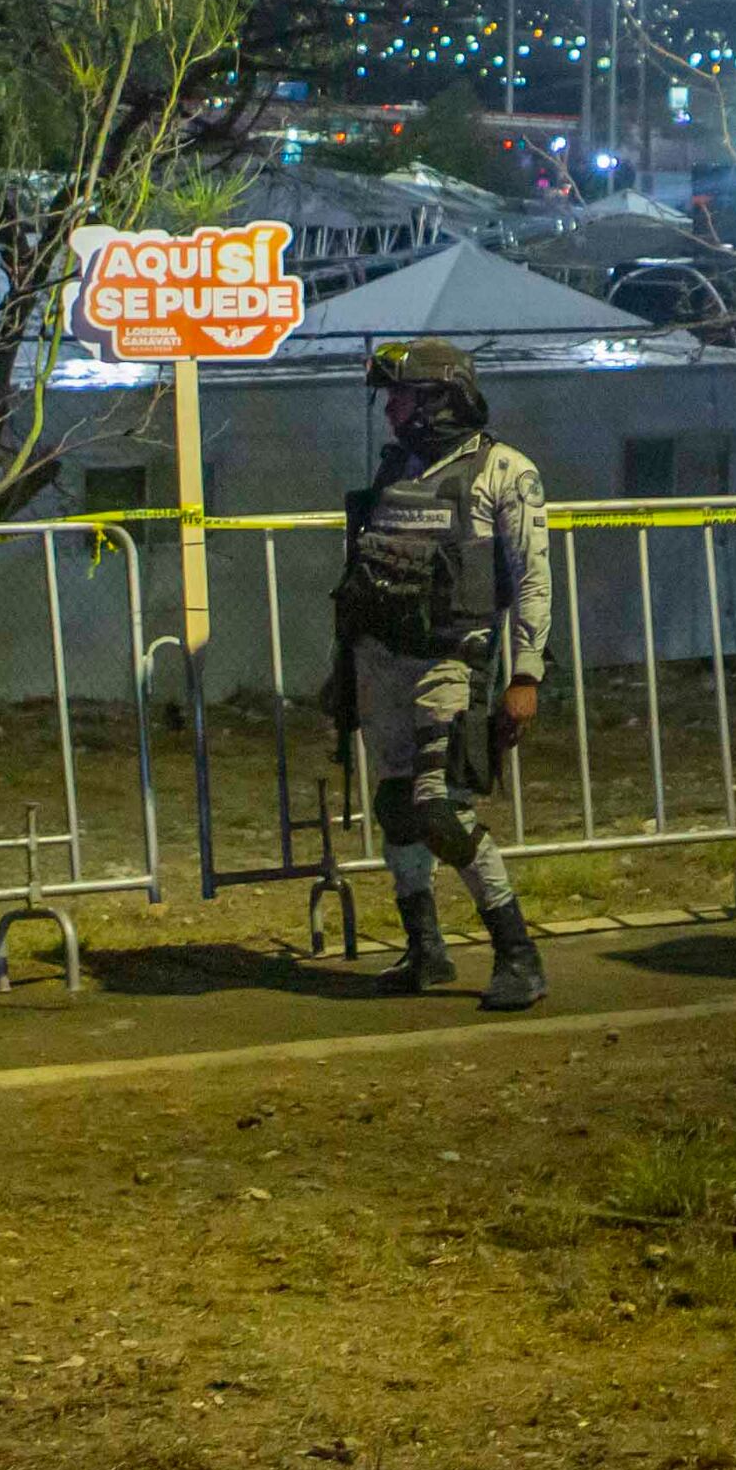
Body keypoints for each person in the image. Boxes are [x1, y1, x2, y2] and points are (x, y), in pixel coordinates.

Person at [327, 338, 555, 1008]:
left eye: (400, 394)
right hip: (380, 660)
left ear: (439, 398)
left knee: (439, 806)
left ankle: (519, 953)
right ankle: (425, 949)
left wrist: (526, 676)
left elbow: (533, 580)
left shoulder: (505, 469)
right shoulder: (394, 466)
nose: (390, 407)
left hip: (451, 660)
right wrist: (342, 668)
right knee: (397, 805)